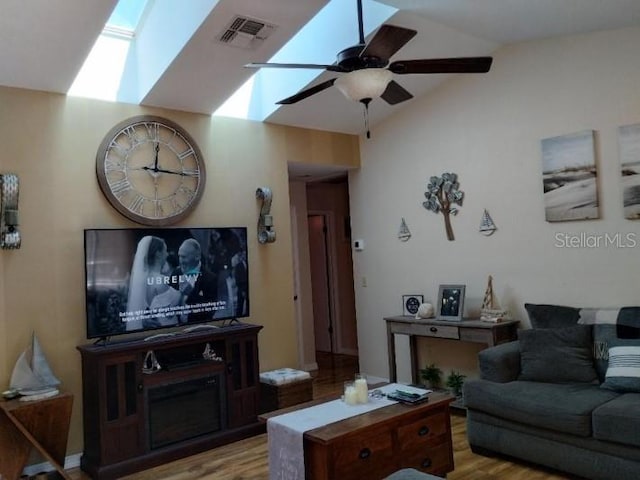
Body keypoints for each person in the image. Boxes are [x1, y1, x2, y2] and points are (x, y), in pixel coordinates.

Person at [126, 236, 183, 330]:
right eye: (165, 251)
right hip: (168, 331)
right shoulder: (163, 281)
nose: (167, 254)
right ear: (158, 254)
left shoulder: (140, 282)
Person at [171, 238, 219, 323]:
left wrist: (191, 294)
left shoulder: (210, 278)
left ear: (197, 257)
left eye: (184, 257)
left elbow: (210, 311)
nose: (181, 261)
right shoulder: (176, 273)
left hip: (198, 329)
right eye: (179, 256)